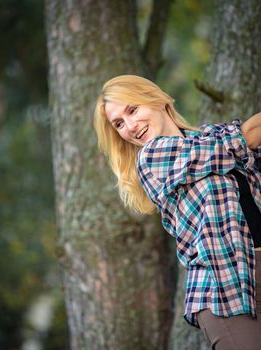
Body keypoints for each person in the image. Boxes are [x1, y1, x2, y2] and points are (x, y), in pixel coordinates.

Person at [93, 74, 261, 350]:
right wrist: (247, 138)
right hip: (225, 288)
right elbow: (247, 138)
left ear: (156, 99)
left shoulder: (209, 135)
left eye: (132, 110)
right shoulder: (153, 158)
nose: (130, 127)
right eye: (119, 124)